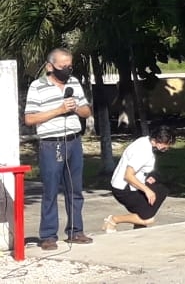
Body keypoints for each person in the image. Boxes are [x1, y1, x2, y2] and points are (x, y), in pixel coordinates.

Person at [23, 48, 93, 250]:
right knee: (51, 190)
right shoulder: (37, 86)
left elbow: (86, 110)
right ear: (49, 66)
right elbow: (30, 119)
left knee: (75, 189)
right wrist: (59, 110)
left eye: (70, 66)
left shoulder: (74, 82)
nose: (67, 70)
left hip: (73, 141)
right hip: (51, 144)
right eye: (63, 66)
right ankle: (47, 236)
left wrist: (76, 108)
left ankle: (76, 231)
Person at [103, 125, 176, 233]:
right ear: (159, 141)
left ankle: (139, 223)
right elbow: (128, 176)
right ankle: (113, 220)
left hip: (129, 185)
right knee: (148, 219)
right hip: (124, 190)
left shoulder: (144, 141)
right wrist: (147, 190)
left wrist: (147, 177)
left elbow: (138, 169)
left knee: (162, 187)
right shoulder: (143, 152)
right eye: (166, 145)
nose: (167, 148)